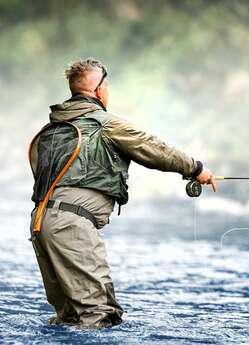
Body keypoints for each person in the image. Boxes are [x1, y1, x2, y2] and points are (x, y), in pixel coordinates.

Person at [28, 58, 217, 328]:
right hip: (71, 225)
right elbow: (153, 148)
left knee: (69, 318)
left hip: (41, 222)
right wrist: (196, 168)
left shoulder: (52, 130)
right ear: (98, 90)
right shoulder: (105, 124)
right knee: (99, 315)